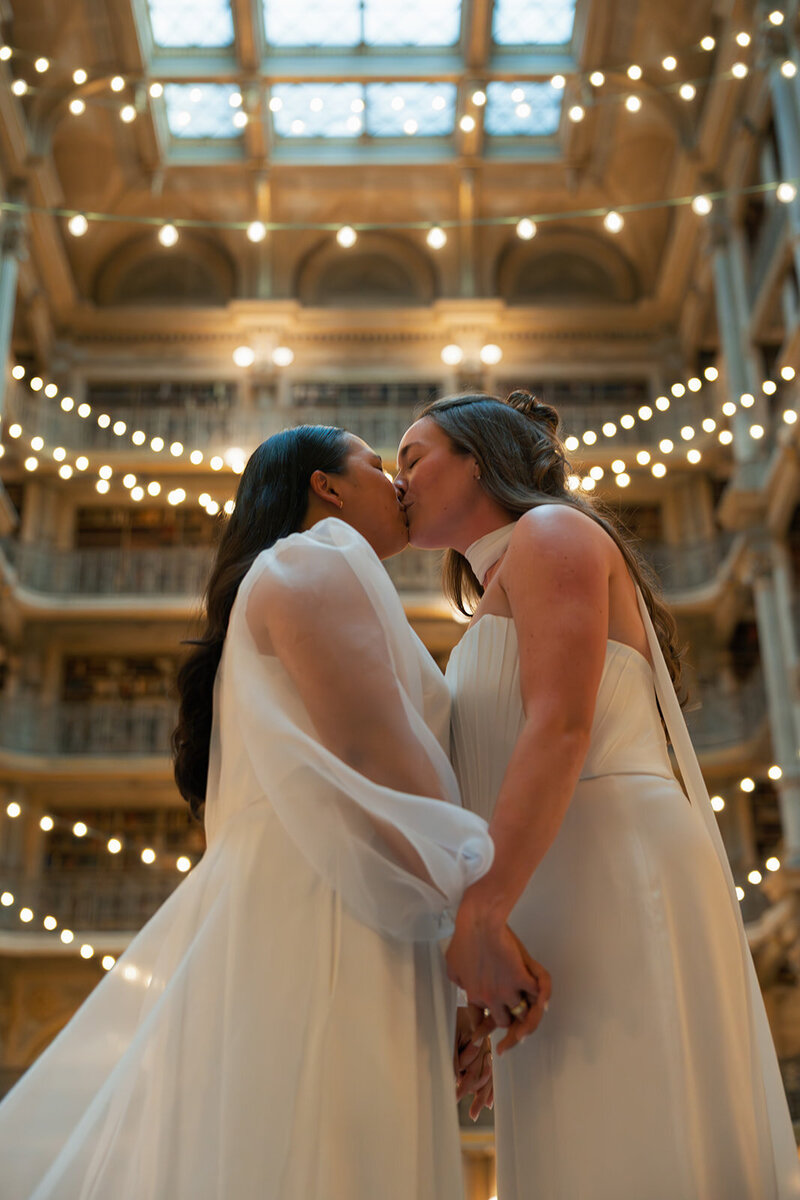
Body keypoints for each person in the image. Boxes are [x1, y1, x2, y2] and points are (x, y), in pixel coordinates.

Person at [0, 425, 495, 1200]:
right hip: (339, 904)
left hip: (350, 892)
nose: (397, 484)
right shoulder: (316, 557)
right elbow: (378, 757)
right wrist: (482, 919)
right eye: (374, 464)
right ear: (325, 487)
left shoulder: (306, 571)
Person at [395, 391, 800, 1200]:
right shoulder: (500, 588)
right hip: (551, 874)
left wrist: (482, 915)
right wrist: (483, 963)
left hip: (614, 858)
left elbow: (562, 727)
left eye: (413, 457)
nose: (396, 479)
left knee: (634, 1118)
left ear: (479, 458)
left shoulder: (554, 533)